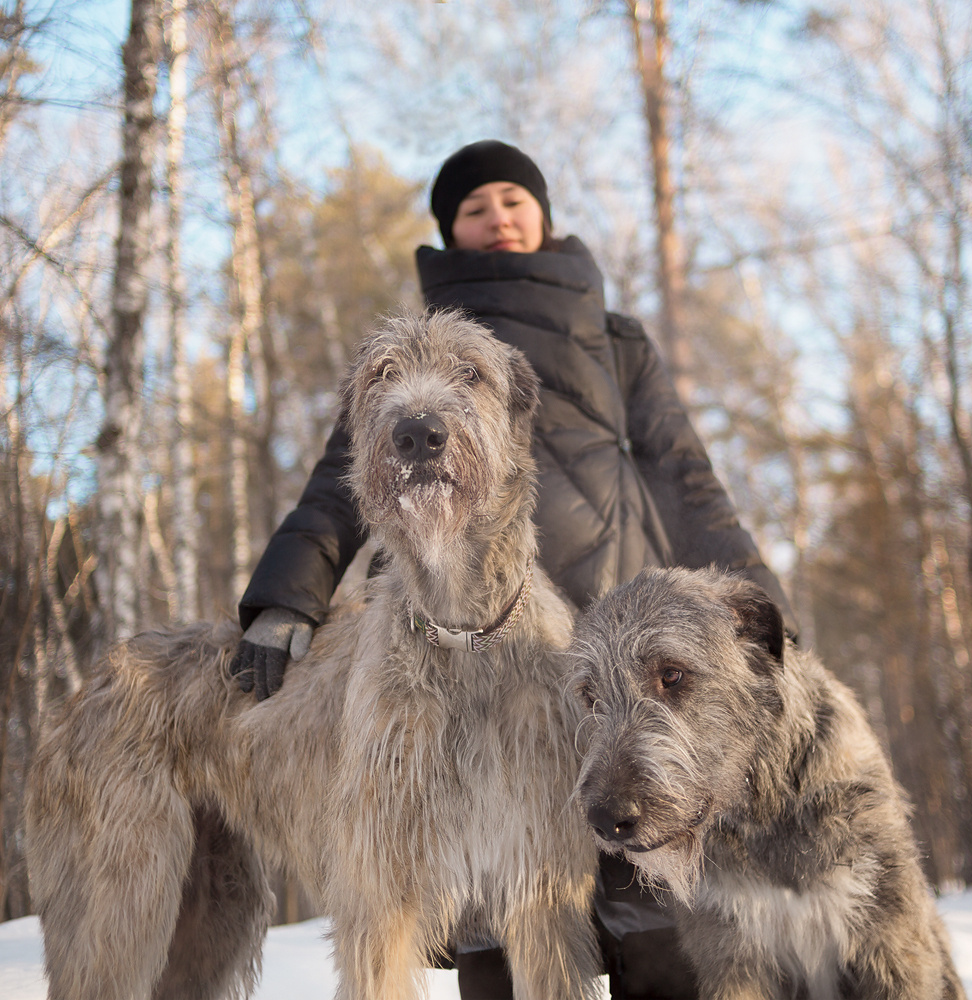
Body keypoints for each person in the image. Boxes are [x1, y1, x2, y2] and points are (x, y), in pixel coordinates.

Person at [231, 140, 798, 999]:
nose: (497, 216)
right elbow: (338, 487)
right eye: (474, 208)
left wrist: (770, 620)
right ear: (449, 234)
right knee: (506, 912)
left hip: (625, 666)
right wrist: (285, 597)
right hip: (484, 666)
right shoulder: (409, 365)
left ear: (542, 215)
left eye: (512, 199)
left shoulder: (615, 342)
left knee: (655, 922)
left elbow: (688, 481)